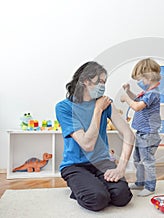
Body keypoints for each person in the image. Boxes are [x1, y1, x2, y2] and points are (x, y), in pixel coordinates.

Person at [55, 61, 134, 211]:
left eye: (105, 82)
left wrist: (121, 168)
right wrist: (97, 109)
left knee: (123, 196)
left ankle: (92, 184)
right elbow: (87, 144)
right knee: (97, 199)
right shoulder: (64, 107)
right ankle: (81, 188)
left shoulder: (107, 104)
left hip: (102, 162)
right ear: (85, 80)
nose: (103, 86)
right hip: (75, 165)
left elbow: (128, 134)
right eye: (100, 82)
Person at [120, 58, 161, 197]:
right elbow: (137, 100)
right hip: (142, 133)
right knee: (137, 160)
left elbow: (136, 106)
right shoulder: (146, 93)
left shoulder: (152, 94)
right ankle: (140, 182)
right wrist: (128, 92)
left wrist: (126, 98)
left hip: (148, 134)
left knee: (147, 161)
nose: (140, 82)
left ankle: (150, 187)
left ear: (148, 77)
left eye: (140, 79)